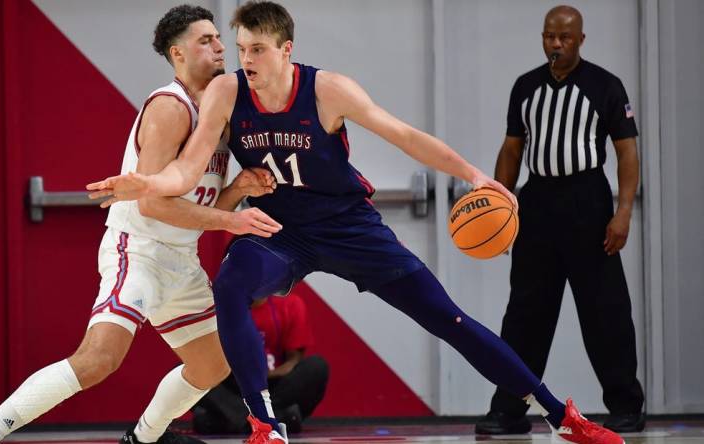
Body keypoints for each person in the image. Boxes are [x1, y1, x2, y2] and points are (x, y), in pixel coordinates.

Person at [87, 3, 627, 444]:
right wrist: (145, 185)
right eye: (241, 47)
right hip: (280, 229)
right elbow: (186, 166)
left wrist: (473, 175)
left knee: (448, 319)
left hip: (347, 226)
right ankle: (264, 425)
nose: (244, 58)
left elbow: (405, 136)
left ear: (285, 49)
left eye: (256, 49)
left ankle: (560, 415)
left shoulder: (327, 90)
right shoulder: (228, 93)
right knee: (229, 285)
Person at [0, 6, 281, 444]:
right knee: (98, 360)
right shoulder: (170, 107)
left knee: (213, 363)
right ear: (178, 53)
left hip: (180, 258)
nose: (220, 47)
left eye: (218, 38)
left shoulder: (216, 115)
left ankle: (143, 438)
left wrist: (237, 188)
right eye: (206, 40)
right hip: (139, 249)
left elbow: (193, 206)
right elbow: (153, 207)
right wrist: (232, 219)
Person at [475, 5, 645, 435]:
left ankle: (626, 404)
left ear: (580, 40)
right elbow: (512, 150)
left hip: (587, 201)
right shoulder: (526, 87)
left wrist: (623, 211)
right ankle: (509, 409)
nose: (555, 43)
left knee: (605, 310)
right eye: (549, 36)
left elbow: (627, 152)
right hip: (538, 202)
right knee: (525, 313)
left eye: (564, 37)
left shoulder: (605, 86)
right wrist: (501, 204)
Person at [192, 293, 328, 435]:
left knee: (316, 367)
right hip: (235, 385)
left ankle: (239, 420)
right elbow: (209, 361)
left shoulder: (290, 303)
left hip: (274, 386)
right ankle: (273, 420)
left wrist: (265, 375)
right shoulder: (218, 308)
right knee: (184, 373)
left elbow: (294, 360)